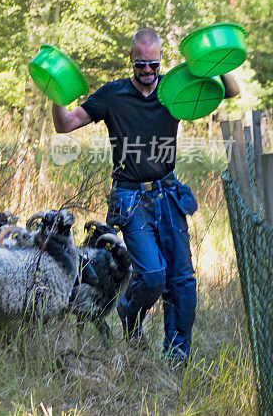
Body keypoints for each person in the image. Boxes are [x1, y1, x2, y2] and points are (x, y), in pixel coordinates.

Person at [51, 28, 240, 362]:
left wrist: (216, 59)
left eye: (153, 64)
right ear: (131, 60)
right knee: (152, 275)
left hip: (168, 194)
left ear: (160, 61)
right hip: (130, 198)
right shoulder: (112, 95)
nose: (148, 72)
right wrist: (55, 91)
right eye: (141, 65)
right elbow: (65, 124)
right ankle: (128, 310)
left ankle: (176, 356)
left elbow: (232, 90)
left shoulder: (174, 89)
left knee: (181, 280)